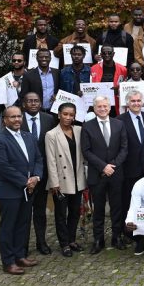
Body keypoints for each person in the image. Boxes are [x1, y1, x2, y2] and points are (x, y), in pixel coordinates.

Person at [0, 106, 44, 275]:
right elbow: (4, 167)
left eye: (19, 116)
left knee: (23, 224)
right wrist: (25, 182)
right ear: (4, 120)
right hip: (8, 191)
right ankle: (8, 262)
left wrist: (36, 177)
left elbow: (38, 158)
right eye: (12, 117)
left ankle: (20, 256)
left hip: (28, 190)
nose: (17, 120)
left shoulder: (28, 136)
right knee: (8, 227)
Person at [81, 95, 129, 254]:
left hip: (116, 174)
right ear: (94, 108)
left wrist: (112, 166)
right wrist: (103, 167)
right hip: (97, 175)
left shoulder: (119, 124)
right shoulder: (87, 126)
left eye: (105, 106)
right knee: (98, 209)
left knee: (117, 207)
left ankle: (117, 237)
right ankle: (98, 239)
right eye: (99, 106)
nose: (102, 109)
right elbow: (86, 151)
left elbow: (124, 149)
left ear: (110, 107)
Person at [45, 102, 86, 258]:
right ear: (59, 114)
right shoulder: (51, 135)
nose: (68, 117)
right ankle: (64, 244)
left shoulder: (79, 130)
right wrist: (54, 183)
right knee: (61, 214)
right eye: (65, 114)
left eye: (71, 115)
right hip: (61, 181)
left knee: (75, 212)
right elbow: (51, 160)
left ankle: (72, 239)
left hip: (78, 177)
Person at [20, 92, 57, 255]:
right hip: (23, 175)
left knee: (40, 211)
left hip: (42, 173)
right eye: (30, 101)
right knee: (24, 212)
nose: (33, 103)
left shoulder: (49, 119)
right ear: (24, 104)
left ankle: (41, 242)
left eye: (36, 101)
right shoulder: (17, 119)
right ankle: (23, 246)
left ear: (41, 103)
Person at [117, 90, 144, 239]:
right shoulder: (119, 120)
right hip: (128, 168)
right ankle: (128, 232)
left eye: (138, 101)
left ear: (143, 102)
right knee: (128, 201)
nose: (136, 103)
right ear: (127, 103)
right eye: (133, 101)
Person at [20, 48, 60, 112]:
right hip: (36, 112)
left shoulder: (57, 73)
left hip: (54, 111)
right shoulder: (28, 75)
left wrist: (57, 95)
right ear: (37, 58)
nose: (44, 59)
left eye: (46, 57)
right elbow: (23, 96)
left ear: (50, 58)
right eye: (41, 57)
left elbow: (60, 90)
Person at [90, 45, 128, 110]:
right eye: (104, 53)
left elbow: (125, 87)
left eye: (109, 53)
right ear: (101, 54)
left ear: (113, 54)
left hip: (115, 103)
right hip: (99, 104)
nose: (107, 55)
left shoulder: (123, 69)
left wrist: (118, 90)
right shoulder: (93, 69)